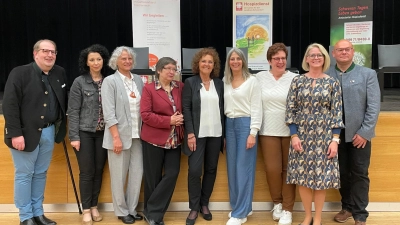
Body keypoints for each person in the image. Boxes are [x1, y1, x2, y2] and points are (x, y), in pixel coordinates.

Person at [3, 39, 67, 225]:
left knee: (40, 173)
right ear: (35, 54)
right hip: (24, 134)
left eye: (53, 52)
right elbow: (10, 105)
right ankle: (26, 217)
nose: (49, 55)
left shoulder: (59, 73)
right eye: (45, 51)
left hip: (49, 132)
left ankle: (38, 213)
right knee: (24, 174)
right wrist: (15, 133)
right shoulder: (19, 73)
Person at [285, 43, 344, 225]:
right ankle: (307, 216)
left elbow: (337, 112)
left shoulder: (332, 82)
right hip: (301, 137)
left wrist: (335, 140)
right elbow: (290, 109)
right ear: (307, 59)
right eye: (312, 55)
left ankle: (317, 218)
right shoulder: (297, 81)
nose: (316, 57)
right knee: (302, 178)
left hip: (325, 137)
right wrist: (294, 136)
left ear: (325, 58)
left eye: (319, 55)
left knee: (321, 179)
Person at [328, 40, 380, 225]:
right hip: (334, 136)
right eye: (339, 50)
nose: (343, 52)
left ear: (353, 52)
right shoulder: (326, 75)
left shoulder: (368, 74)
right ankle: (347, 207)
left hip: (359, 135)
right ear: (333, 53)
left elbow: (373, 106)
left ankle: (360, 214)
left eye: (347, 49)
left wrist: (365, 132)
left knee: (359, 173)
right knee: (340, 172)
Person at [67, 44, 110, 225]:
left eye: (98, 59)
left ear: (103, 61)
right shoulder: (79, 82)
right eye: (92, 60)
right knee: (87, 172)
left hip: (103, 134)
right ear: (86, 62)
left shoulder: (109, 81)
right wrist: (74, 137)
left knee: (99, 171)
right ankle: (86, 209)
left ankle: (94, 206)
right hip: (84, 133)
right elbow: (73, 111)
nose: (95, 62)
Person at [101, 46, 144, 224]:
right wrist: (116, 137)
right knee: (118, 177)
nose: (127, 61)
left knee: (137, 173)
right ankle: (121, 210)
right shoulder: (110, 81)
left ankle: (132, 209)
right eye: (123, 58)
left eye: (129, 59)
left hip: (138, 136)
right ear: (115, 61)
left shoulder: (139, 80)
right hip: (118, 137)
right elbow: (108, 112)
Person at [255, 43, 297, 225]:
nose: (280, 61)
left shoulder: (296, 78)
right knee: (272, 170)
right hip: (267, 130)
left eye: (283, 58)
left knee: (289, 171)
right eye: (276, 58)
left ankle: (287, 209)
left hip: (291, 131)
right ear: (269, 61)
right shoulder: (260, 78)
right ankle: (277, 203)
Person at [182, 48, 224, 225]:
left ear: (214, 65)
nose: (207, 64)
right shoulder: (190, 83)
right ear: (198, 63)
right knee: (194, 171)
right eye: (204, 61)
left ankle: (204, 204)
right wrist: (190, 133)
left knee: (211, 169)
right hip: (197, 135)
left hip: (216, 133)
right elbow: (187, 109)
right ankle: (194, 207)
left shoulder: (219, 84)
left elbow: (223, 109)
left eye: (210, 62)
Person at [140, 57, 184, 225]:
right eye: (168, 68)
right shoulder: (149, 89)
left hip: (174, 140)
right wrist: (169, 121)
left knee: (172, 173)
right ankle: (154, 216)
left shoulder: (180, 87)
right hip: (153, 139)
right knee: (153, 178)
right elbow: (145, 115)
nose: (172, 71)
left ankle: (150, 210)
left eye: (174, 69)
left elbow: (187, 106)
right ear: (158, 70)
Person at [224, 48, 262, 225]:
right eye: (232, 59)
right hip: (229, 125)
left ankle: (240, 214)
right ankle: (240, 207)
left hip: (246, 125)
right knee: (232, 169)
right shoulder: (225, 80)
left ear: (243, 61)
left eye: (238, 58)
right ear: (228, 62)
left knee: (243, 169)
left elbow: (256, 108)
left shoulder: (252, 81)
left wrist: (253, 132)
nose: (235, 61)